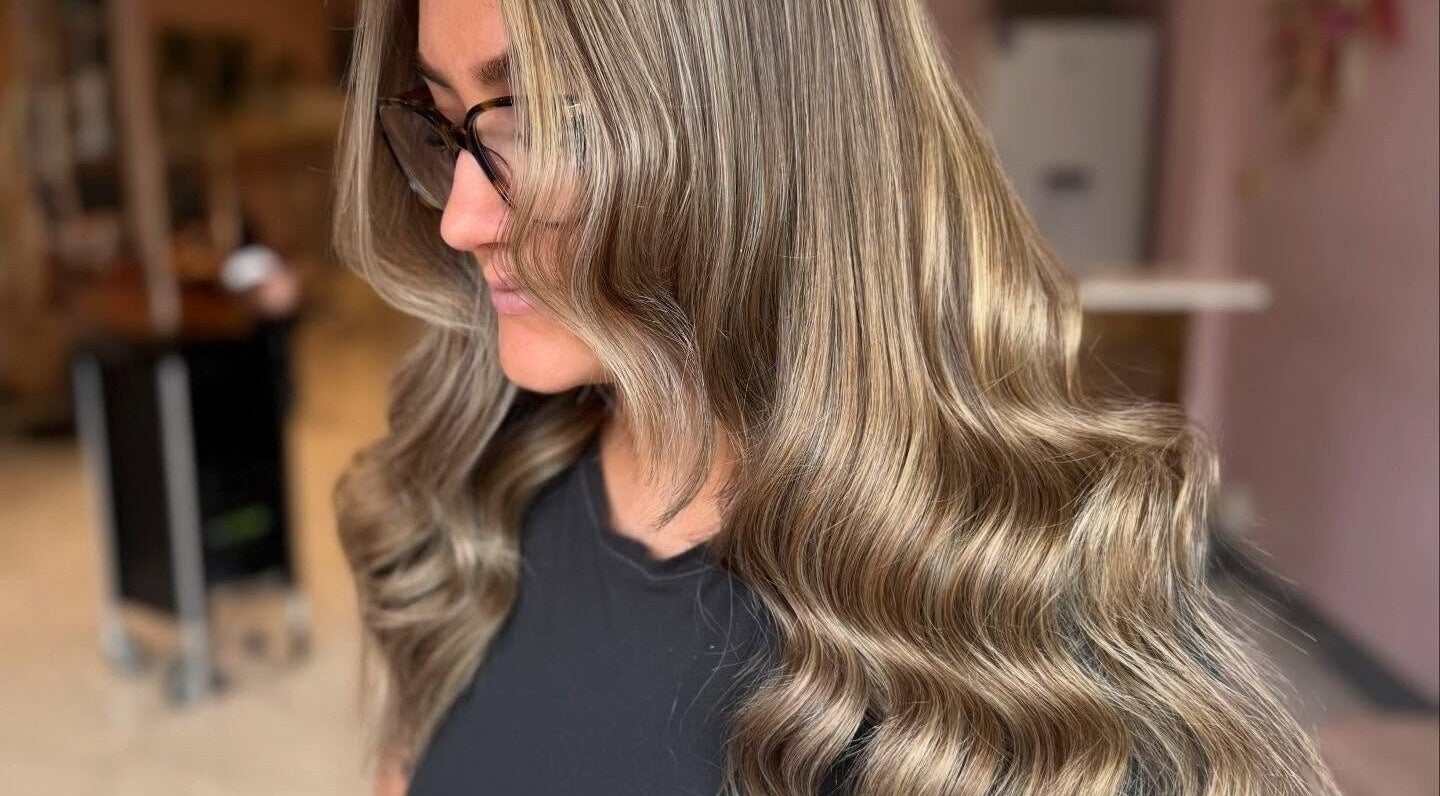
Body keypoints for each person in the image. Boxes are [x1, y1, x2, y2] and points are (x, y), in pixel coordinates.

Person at [332, 1, 1342, 795]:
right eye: (441, 118)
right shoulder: (473, 504)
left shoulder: (1032, 651)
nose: (461, 219)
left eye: (546, 122)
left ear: (773, 135)